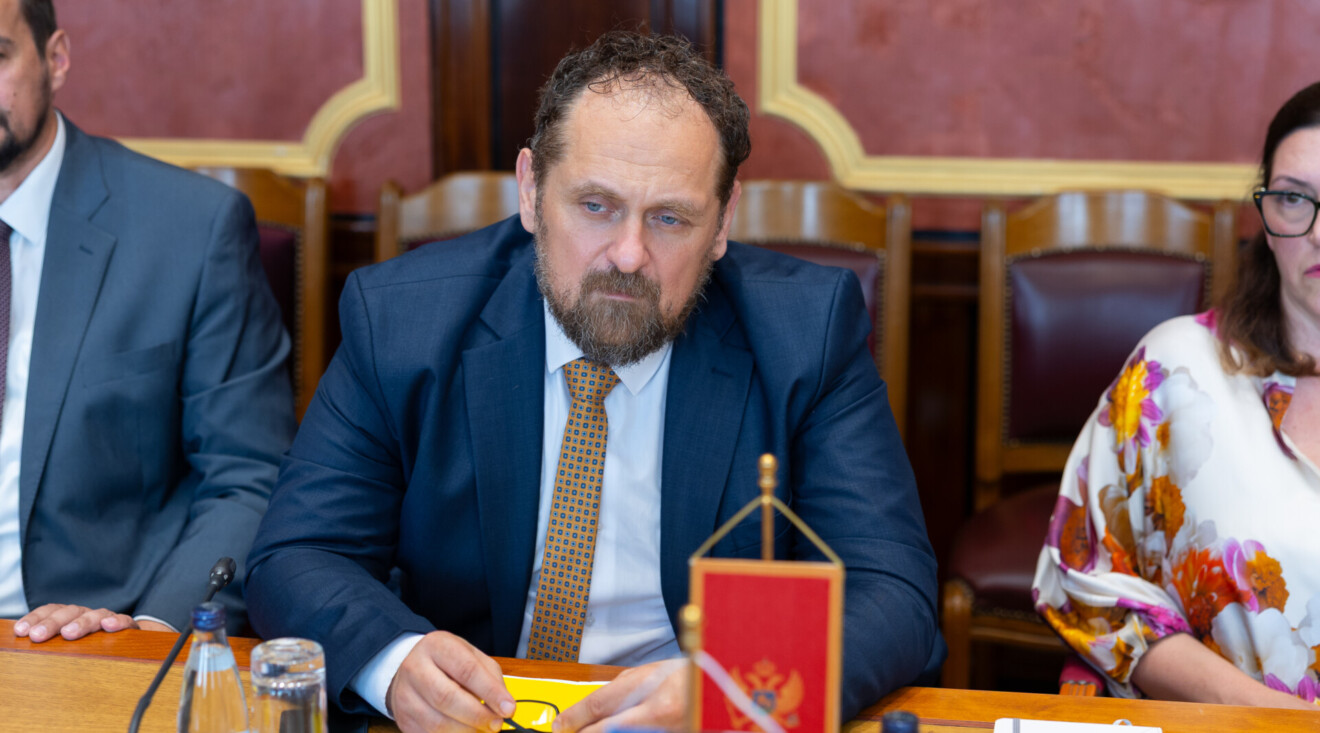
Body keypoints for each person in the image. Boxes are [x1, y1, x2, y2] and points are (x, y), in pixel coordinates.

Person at [246, 31, 939, 733]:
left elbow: (892, 589)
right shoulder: (402, 320)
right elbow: (300, 552)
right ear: (531, 190)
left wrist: (730, 688)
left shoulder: (806, 332)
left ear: (722, 221)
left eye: (670, 218)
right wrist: (394, 665)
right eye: (596, 206)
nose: (629, 255)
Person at [1, 0, 294, 641]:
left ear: (56, 58)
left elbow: (248, 478)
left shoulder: (191, 229)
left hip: (98, 636)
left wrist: (150, 634)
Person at [1033, 81, 1320, 709]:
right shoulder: (1178, 371)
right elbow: (1087, 586)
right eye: (1294, 199)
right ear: (1266, 218)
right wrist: (1278, 720)